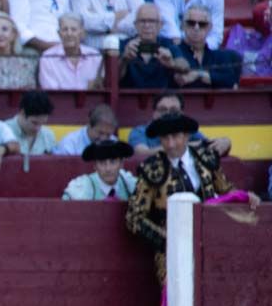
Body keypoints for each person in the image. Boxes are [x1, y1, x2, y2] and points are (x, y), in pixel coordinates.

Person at [126, 112, 258, 285]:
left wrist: (245, 197)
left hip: (213, 242)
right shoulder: (152, 169)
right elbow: (133, 218)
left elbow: (226, 192)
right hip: (171, 252)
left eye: (175, 137)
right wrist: (167, 238)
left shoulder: (206, 159)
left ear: (187, 136)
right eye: (165, 138)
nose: (171, 144)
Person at [128, 90, 230, 158]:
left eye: (173, 110)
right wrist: (185, 146)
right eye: (163, 110)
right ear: (154, 113)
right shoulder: (140, 131)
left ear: (181, 114)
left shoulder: (187, 130)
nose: (168, 114)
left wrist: (226, 142)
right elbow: (141, 154)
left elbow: (208, 145)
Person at [170, 5, 240, 91]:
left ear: (209, 28)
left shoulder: (220, 56)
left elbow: (230, 81)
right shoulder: (173, 52)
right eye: (191, 23)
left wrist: (198, 74)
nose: (196, 28)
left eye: (202, 24)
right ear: (182, 25)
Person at [119, 3, 179, 89]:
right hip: (129, 100)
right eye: (142, 21)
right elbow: (110, 79)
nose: (146, 26)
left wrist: (172, 64)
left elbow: (184, 65)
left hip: (163, 100)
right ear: (135, 25)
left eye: (151, 21)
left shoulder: (169, 44)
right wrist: (124, 60)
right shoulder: (123, 45)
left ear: (160, 25)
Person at [39, 14, 103, 91]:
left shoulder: (95, 56)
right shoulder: (47, 58)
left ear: (82, 33)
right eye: (65, 29)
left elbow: (100, 86)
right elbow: (51, 92)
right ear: (59, 34)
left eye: (74, 29)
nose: (69, 34)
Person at [63, 139, 137, 200]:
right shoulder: (85, 185)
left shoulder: (128, 182)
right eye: (102, 163)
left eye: (113, 162)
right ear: (95, 166)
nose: (108, 169)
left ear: (121, 164)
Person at [4, 89, 57, 155]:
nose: (38, 129)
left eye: (42, 123)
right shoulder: (3, 130)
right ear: (22, 113)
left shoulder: (48, 135)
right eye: (34, 123)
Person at [54, 102, 119, 156]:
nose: (103, 138)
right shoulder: (70, 144)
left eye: (108, 135)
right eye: (100, 133)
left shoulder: (115, 143)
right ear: (89, 124)